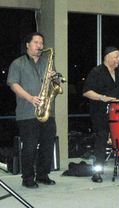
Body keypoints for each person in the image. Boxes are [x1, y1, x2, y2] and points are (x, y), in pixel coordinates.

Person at [83, 47, 119, 183]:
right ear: (107, 57)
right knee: (101, 138)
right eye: (116, 57)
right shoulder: (96, 72)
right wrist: (102, 97)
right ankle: (97, 172)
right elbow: (86, 92)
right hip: (101, 112)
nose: (118, 59)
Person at [7, 32, 57, 188]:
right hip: (27, 113)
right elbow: (13, 84)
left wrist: (52, 78)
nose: (40, 45)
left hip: (47, 111)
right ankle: (27, 178)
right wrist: (30, 98)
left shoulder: (47, 61)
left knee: (48, 145)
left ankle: (43, 175)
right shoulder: (18, 63)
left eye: (41, 42)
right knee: (29, 146)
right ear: (27, 45)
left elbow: (56, 85)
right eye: (36, 42)